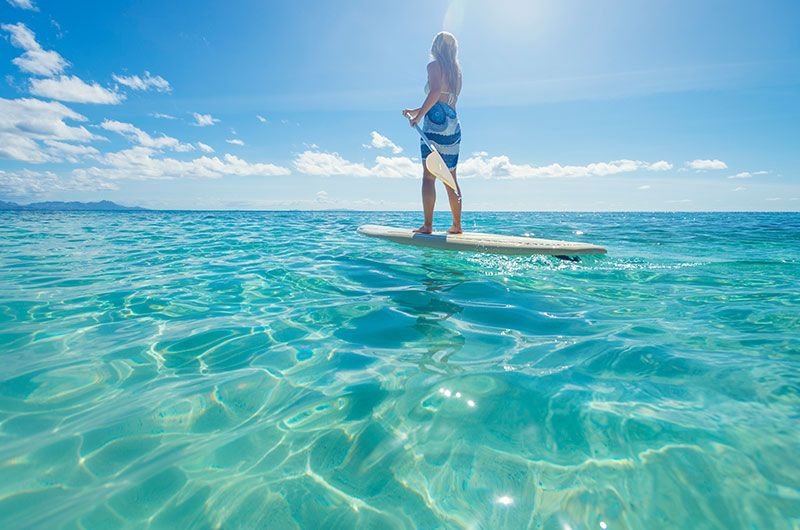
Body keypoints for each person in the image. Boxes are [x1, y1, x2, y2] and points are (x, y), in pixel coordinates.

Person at [403, 31, 463, 234]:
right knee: (451, 177)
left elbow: (435, 92)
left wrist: (419, 118)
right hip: (452, 125)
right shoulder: (456, 72)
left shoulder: (434, 66)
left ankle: (427, 225)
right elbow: (444, 100)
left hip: (434, 126)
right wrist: (416, 110)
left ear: (436, 47)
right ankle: (457, 225)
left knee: (429, 176)